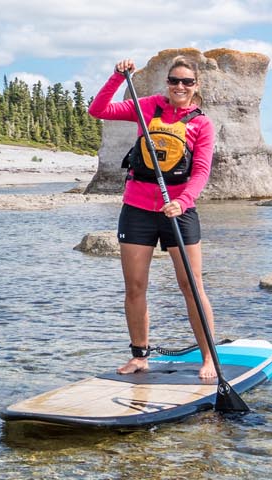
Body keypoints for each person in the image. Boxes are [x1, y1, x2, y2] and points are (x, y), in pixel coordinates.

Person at [87, 57, 220, 381]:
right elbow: (98, 110)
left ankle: (209, 358)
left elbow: (201, 171)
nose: (180, 87)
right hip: (137, 209)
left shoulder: (202, 124)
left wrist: (183, 201)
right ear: (167, 83)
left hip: (179, 211)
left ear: (196, 86)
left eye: (187, 82)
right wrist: (118, 77)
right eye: (175, 80)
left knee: (192, 285)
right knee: (134, 286)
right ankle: (139, 356)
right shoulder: (147, 107)